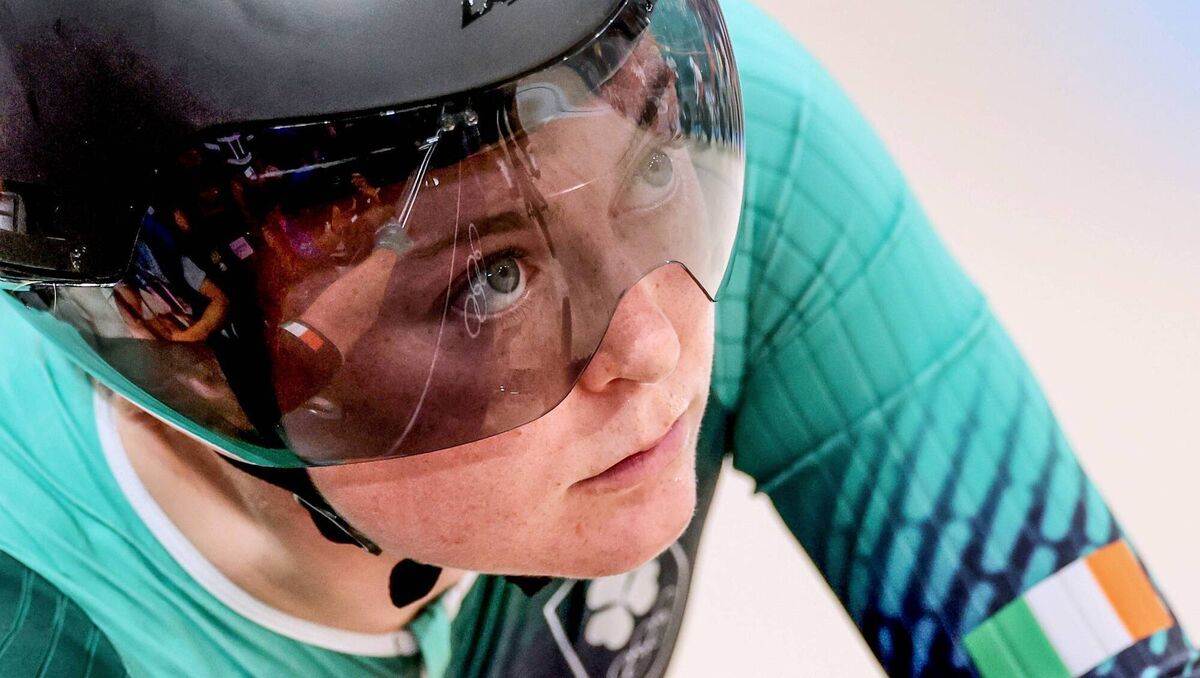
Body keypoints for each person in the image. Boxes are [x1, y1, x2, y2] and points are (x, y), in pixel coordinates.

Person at [0, 1, 1194, 677]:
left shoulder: (750, 148)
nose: (657, 349)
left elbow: (1077, 646)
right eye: (490, 282)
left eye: (655, 171)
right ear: (172, 342)